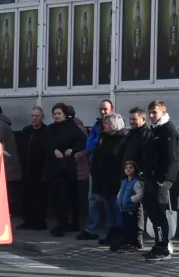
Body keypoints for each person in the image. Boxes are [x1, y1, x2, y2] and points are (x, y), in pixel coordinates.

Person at [141, 99, 179, 262]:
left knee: (159, 212)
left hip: (161, 180)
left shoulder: (169, 130)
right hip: (152, 177)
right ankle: (158, 244)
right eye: (149, 112)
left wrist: (164, 180)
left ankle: (164, 246)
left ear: (163, 112)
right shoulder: (156, 130)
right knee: (152, 212)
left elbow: (172, 159)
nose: (151, 115)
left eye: (154, 112)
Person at [44, 104, 85, 236]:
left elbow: (82, 141)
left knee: (72, 195)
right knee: (58, 196)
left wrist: (72, 150)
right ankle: (62, 222)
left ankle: (74, 222)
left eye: (59, 114)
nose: (56, 116)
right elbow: (47, 143)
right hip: (55, 166)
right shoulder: (51, 128)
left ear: (65, 114)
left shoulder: (71, 127)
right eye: (54, 114)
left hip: (68, 166)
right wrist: (54, 150)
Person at [86, 112, 127, 246]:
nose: (105, 126)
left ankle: (120, 232)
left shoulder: (122, 139)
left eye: (108, 123)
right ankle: (112, 231)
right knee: (109, 206)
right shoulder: (104, 138)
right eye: (104, 124)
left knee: (116, 207)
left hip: (115, 178)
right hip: (103, 178)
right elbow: (97, 155)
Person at [15, 107, 48, 230]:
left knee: (40, 196)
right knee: (26, 196)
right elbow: (21, 147)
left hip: (40, 168)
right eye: (32, 116)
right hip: (26, 168)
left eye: (37, 116)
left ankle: (40, 221)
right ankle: (27, 220)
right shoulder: (26, 130)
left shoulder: (46, 131)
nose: (34, 118)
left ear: (42, 117)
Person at [111, 159, 145, 252]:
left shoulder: (137, 182)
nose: (128, 169)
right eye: (126, 168)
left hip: (132, 209)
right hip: (124, 209)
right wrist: (119, 200)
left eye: (131, 167)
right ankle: (126, 242)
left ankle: (134, 243)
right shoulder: (124, 181)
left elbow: (140, 194)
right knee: (125, 226)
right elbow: (120, 192)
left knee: (132, 227)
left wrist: (130, 200)